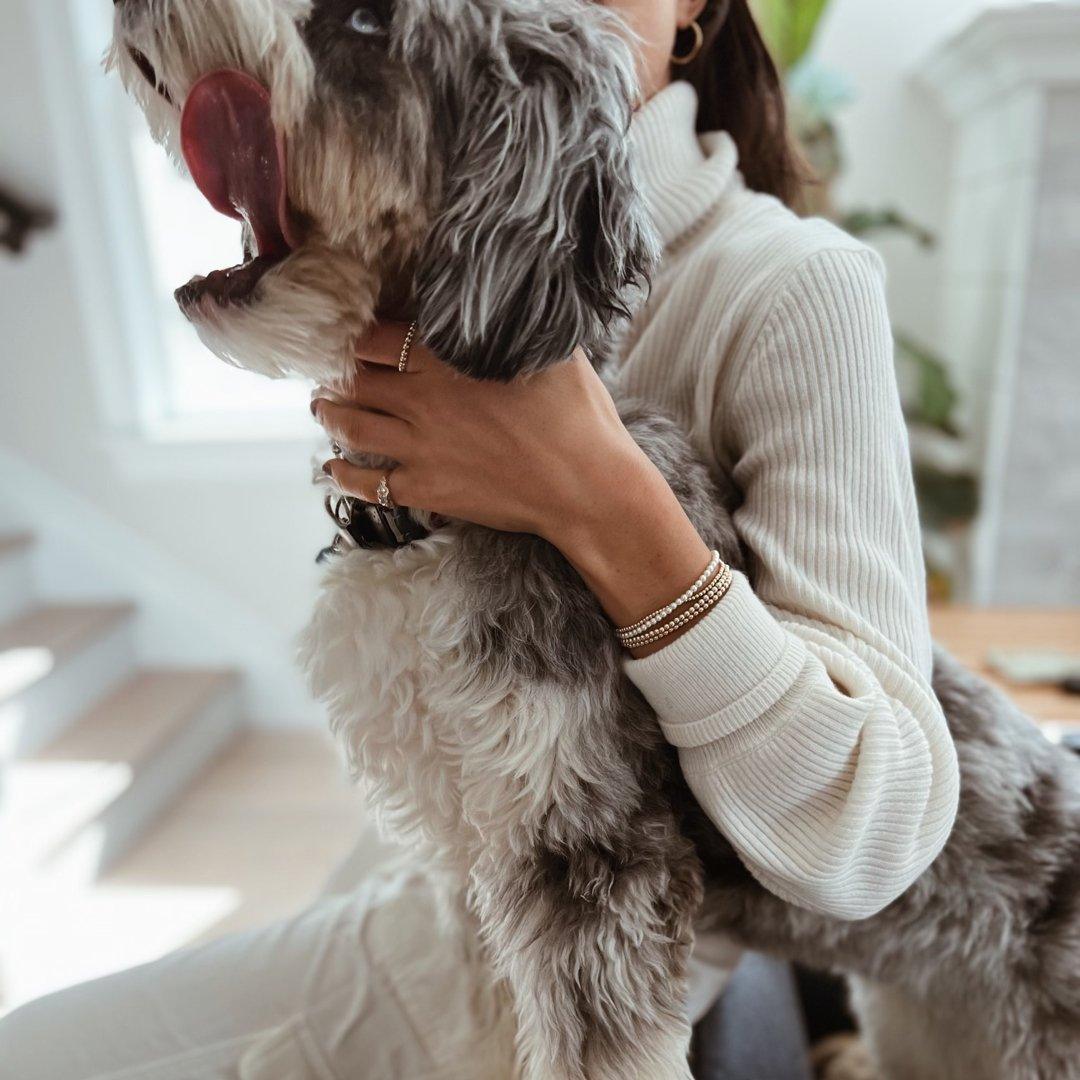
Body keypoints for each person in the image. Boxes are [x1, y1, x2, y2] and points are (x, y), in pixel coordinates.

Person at [0, 1, 959, 1076]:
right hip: (430, 895)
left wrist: (596, 495)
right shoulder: (400, 219)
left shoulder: (791, 285)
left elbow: (877, 830)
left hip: (570, 992)